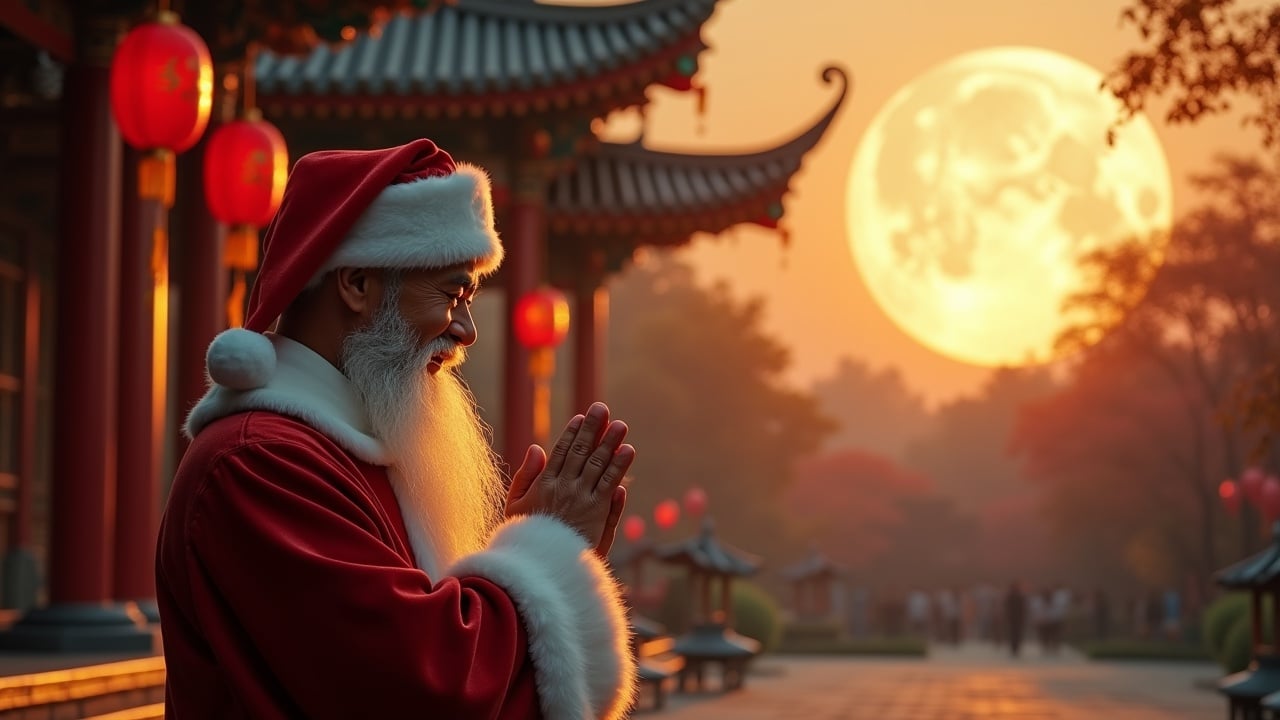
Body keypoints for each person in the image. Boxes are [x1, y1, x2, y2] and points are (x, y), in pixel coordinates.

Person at [156, 139, 638, 719]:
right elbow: (418, 688)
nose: (465, 331)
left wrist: (532, 557)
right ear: (357, 285)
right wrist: (544, 555)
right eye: (452, 294)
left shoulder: (335, 451)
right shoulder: (259, 463)